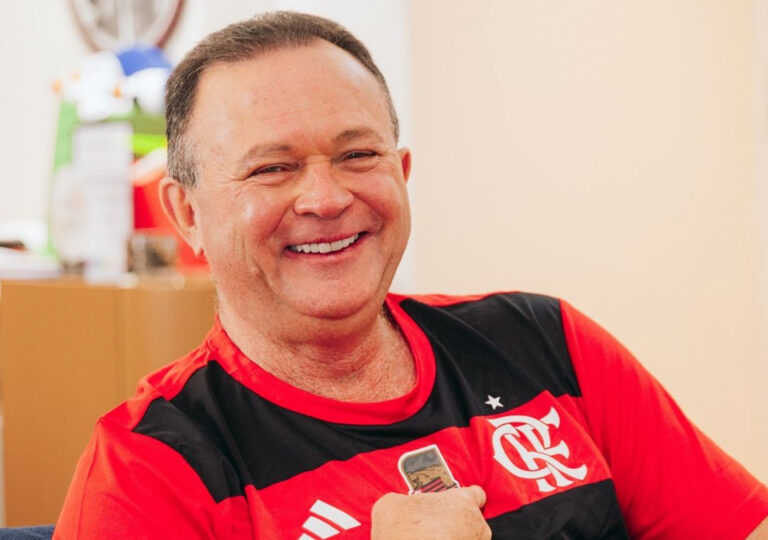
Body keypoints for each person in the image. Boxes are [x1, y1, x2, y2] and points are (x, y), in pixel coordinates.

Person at [55, 11, 768, 539]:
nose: (326, 198)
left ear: (401, 173)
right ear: (187, 214)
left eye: (357, 155)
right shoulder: (149, 469)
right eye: (272, 167)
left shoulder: (548, 344)